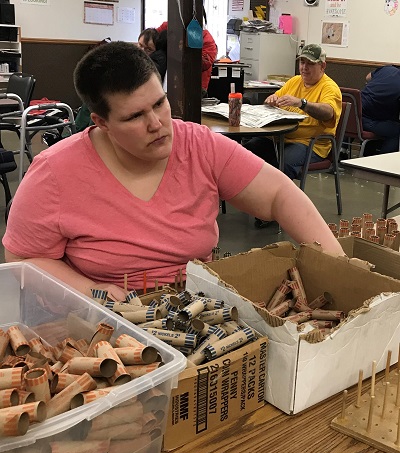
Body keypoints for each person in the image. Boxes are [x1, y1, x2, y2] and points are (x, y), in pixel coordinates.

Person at [2, 41, 344, 301]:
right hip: (103, 324)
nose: (157, 124)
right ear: (101, 122)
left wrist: (339, 268)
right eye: (135, 117)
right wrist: (94, 292)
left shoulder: (199, 146)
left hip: (195, 308)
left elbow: (280, 195)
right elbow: (23, 258)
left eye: (159, 103)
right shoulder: (55, 173)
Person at [244, 44, 342, 181]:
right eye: (302, 62)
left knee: (282, 164)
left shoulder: (329, 87)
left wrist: (303, 103)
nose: (304, 68)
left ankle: (277, 200)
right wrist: (270, 101)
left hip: (309, 143)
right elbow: (270, 101)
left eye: (310, 64)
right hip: (280, 138)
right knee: (246, 152)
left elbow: (328, 113)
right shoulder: (294, 81)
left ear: (322, 66)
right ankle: (250, 196)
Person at [156, 20, 217, 97]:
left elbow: (204, 62)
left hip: (194, 88)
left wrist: (191, 39)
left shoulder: (204, 36)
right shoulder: (168, 26)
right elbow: (152, 41)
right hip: (162, 81)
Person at [361, 65, 400, 154]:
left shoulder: (387, 68)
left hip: (351, 118)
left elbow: (367, 77)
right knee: (396, 131)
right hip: (366, 121)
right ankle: (383, 161)